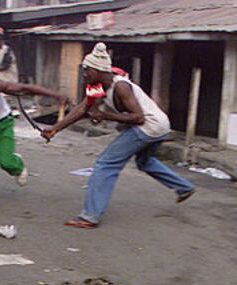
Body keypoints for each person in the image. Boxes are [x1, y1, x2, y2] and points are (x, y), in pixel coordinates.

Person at [42, 42, 196, 229]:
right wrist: (55, 128)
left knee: (105, 164)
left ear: (98, 70)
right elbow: (83, 109)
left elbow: (138, 117)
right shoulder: (97, 87)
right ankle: (184, 187)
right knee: (145, 162)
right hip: (162, 126)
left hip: (149, 126)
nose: (84, 75)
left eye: (87, 70)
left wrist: (105, 115)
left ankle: (89, 216)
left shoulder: (121, 86)